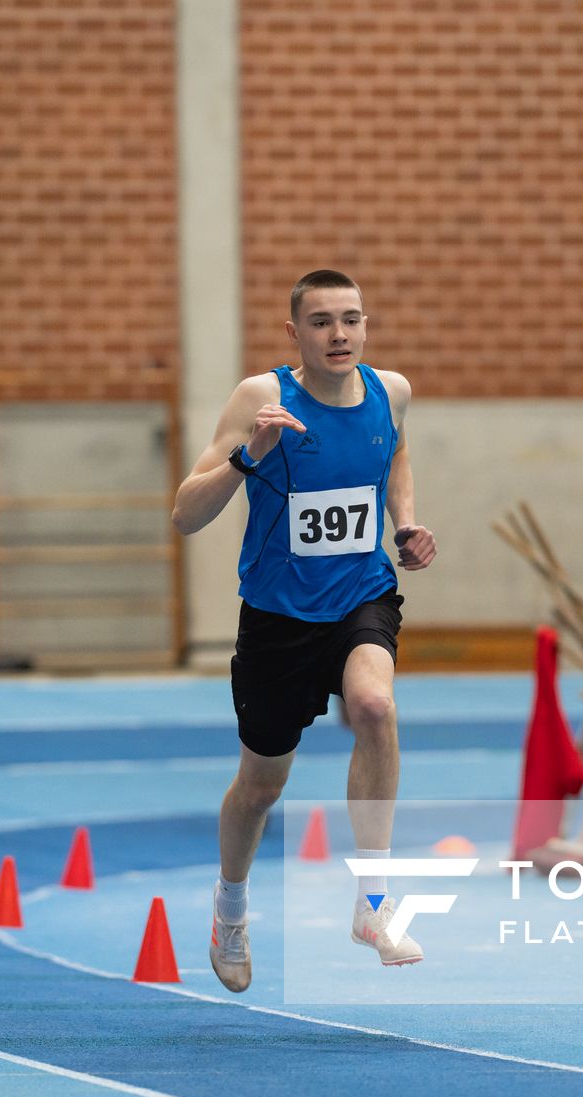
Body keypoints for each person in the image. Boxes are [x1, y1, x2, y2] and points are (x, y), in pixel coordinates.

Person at [171, 269, 437, 993]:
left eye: (351, 319)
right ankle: (230, 909)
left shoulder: (392, 390)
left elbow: (396, 450)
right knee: (260, 787)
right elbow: (186, 513)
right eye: (321, 322)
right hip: (279, 617)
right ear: (295, 333)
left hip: (362, 594)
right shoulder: (263, 399)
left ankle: (374, 904)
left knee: (376, 706)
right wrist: (246, 458)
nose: (339, 334)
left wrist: (403, 522)